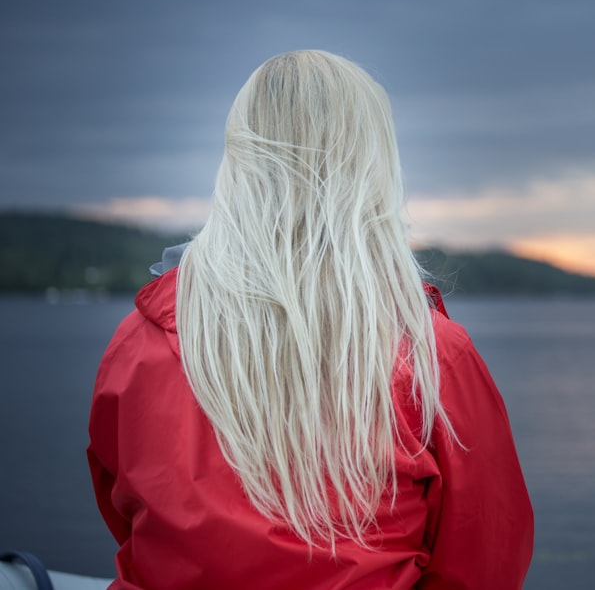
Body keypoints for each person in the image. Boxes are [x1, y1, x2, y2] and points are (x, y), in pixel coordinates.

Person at [87, 50, 534, 589]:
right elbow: (483, 562)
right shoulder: (430, 358)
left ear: (238, 162)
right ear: (373, 167)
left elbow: (123, 507)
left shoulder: (142, 342)